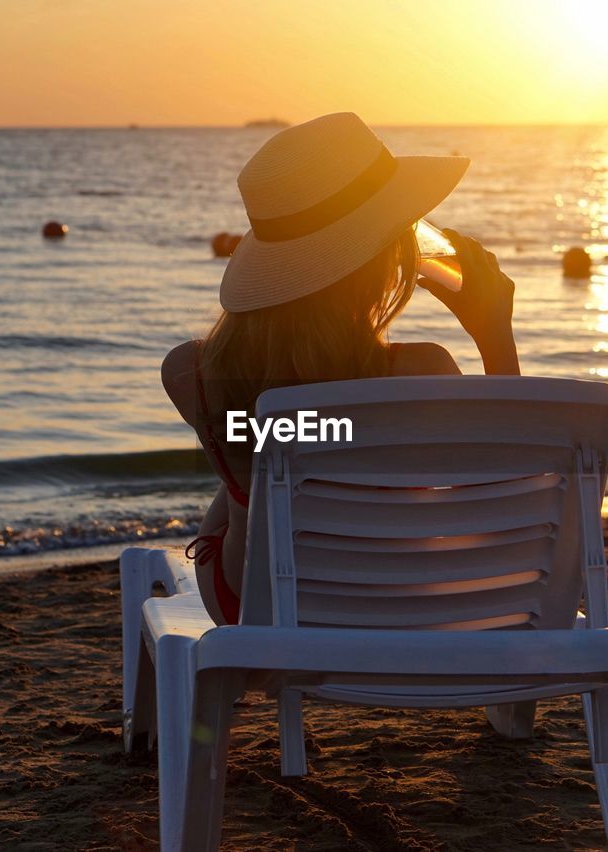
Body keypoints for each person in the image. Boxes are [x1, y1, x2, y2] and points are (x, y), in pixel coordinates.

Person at [161, 112, 520, 624]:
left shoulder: (190, 371)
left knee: (249, 470)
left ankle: (273, 460)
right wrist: (494, 338)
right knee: (281, 454)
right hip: (399, 605)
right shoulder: (421, 372)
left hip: (258, 614)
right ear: (381, 257)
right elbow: (507, 496)